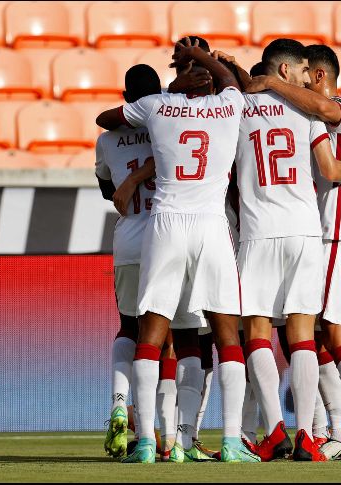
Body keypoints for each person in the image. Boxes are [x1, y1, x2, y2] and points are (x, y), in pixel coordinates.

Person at [96, 38, 259, 464]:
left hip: (165, 223)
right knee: (226, 336)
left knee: (149, 333)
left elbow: (108, 118)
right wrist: (206, 59)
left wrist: (174, 82)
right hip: (210, 224)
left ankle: (147, 442)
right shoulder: (229, 105)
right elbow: (230, 82)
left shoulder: (154, 107)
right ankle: (231, 440)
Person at [244, 44, 341, 461]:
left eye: (303, 74)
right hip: (317, 234)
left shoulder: (339, 109)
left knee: (332, 334)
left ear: (316, 76)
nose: (297, 80)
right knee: (316, 337)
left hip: (335, 234)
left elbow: (330, 160)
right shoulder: (299, 114)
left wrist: (271, 83)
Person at [96, 64, 161, 460]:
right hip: (168, 235)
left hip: (129, 237)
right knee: (164, 340)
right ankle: (154, 433)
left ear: (124, 98)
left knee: (129, 327)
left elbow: (109, 191)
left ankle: (120, 404)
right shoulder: (169, 124)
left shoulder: (106, 139)